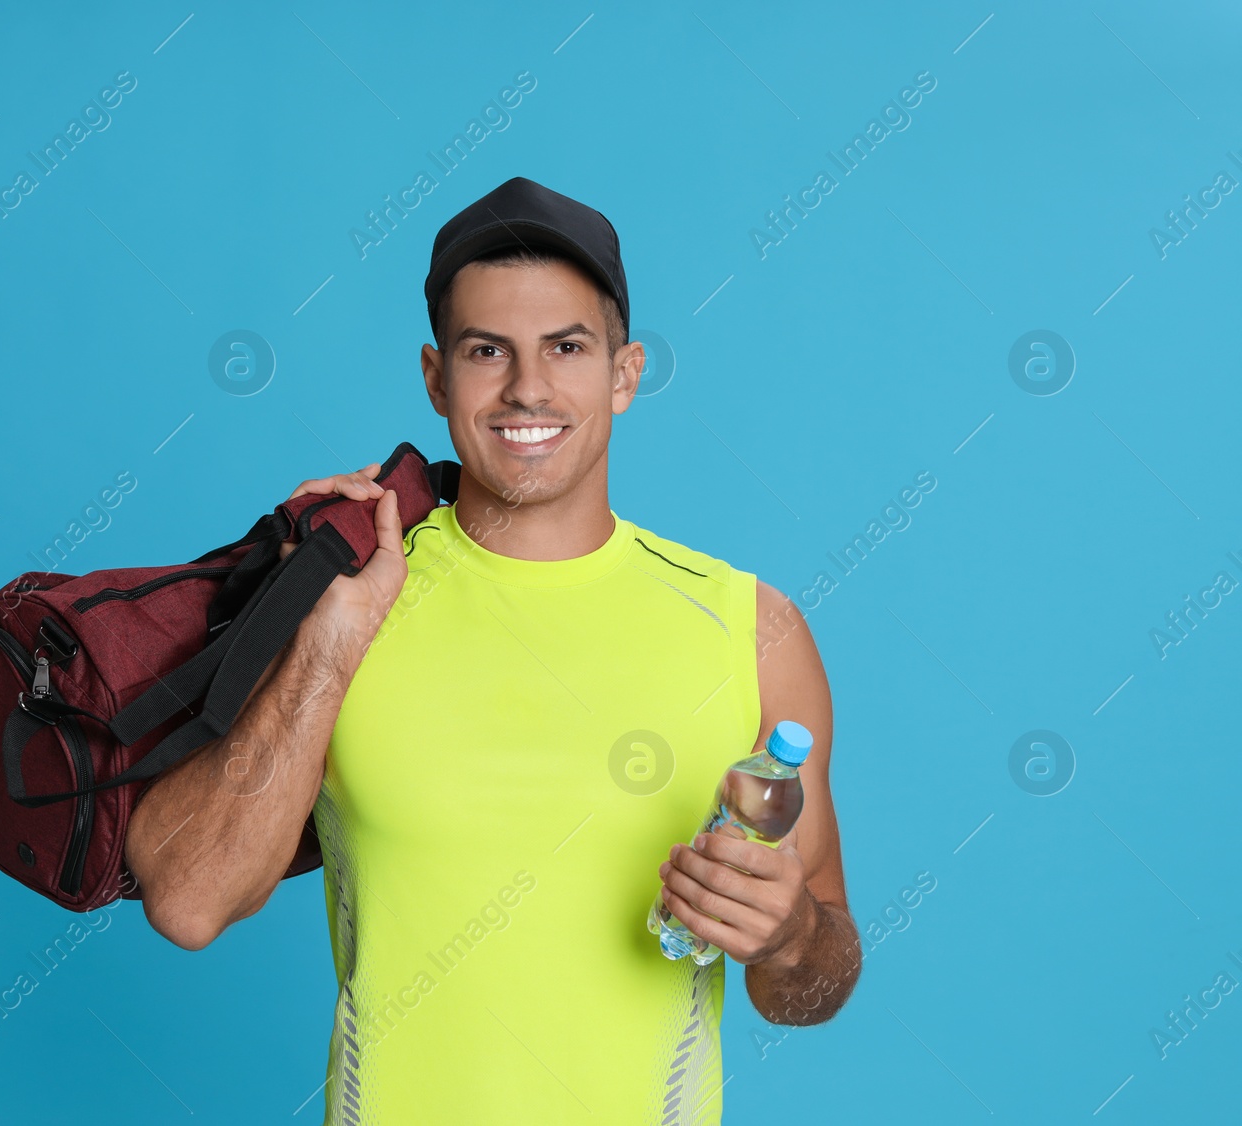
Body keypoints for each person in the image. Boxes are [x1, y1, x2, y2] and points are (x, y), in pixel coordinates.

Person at [125, 176, 861, 1124]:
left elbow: (815, 989)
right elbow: (187, 903)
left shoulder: (752, 629)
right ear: (436, 378)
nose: (528, 388)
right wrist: (324, 639)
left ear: (625, 373)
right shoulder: (345, 599)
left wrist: (793, 936)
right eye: (487, 351)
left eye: (567, 347)